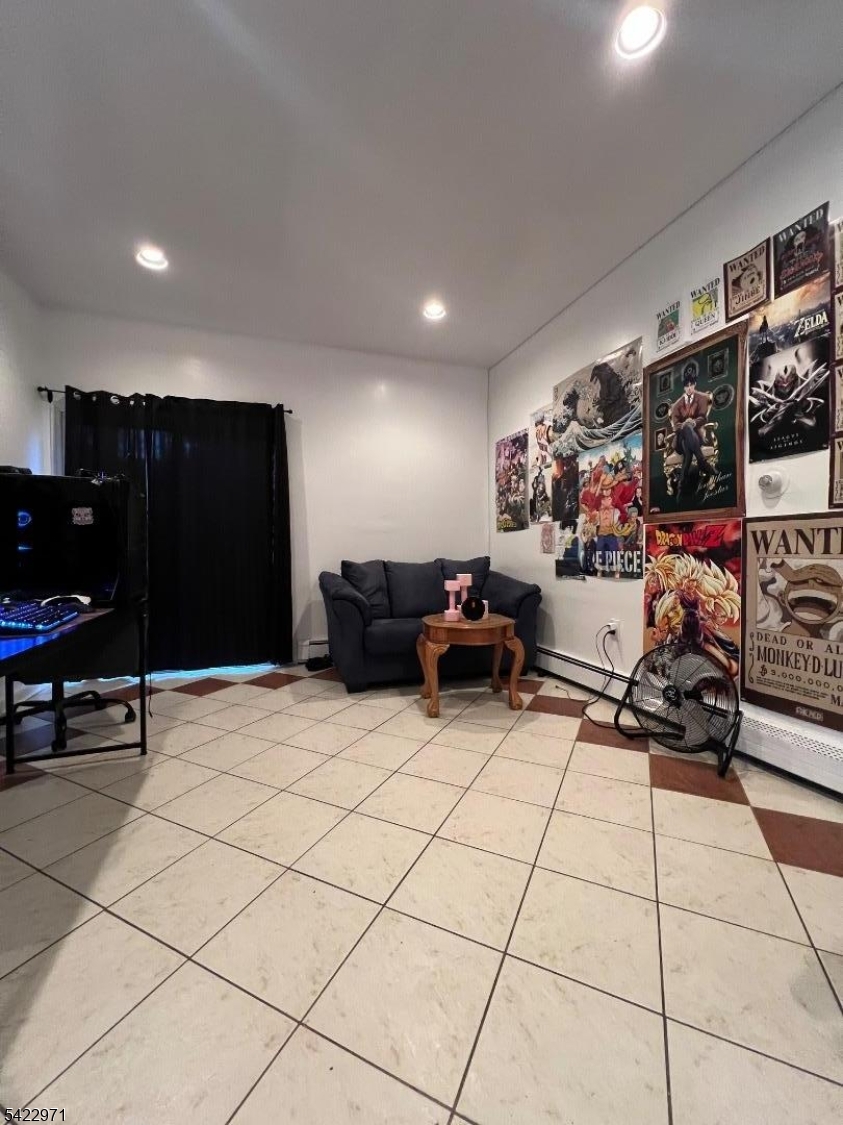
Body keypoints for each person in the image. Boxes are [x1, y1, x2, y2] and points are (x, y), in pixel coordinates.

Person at [669, 369, 713, 493]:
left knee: (688, 451)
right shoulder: (676, 405)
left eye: (691, 385)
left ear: (695, 385)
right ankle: (702, 461)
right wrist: (685, 424)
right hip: (680, 440)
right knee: (686, 428)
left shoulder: (702, 398)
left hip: (696, 438)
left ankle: (682, 483)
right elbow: (675, 426)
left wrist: (693, 422)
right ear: (684, 387)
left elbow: (703, 417)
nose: (689, 388)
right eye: (687, 386)